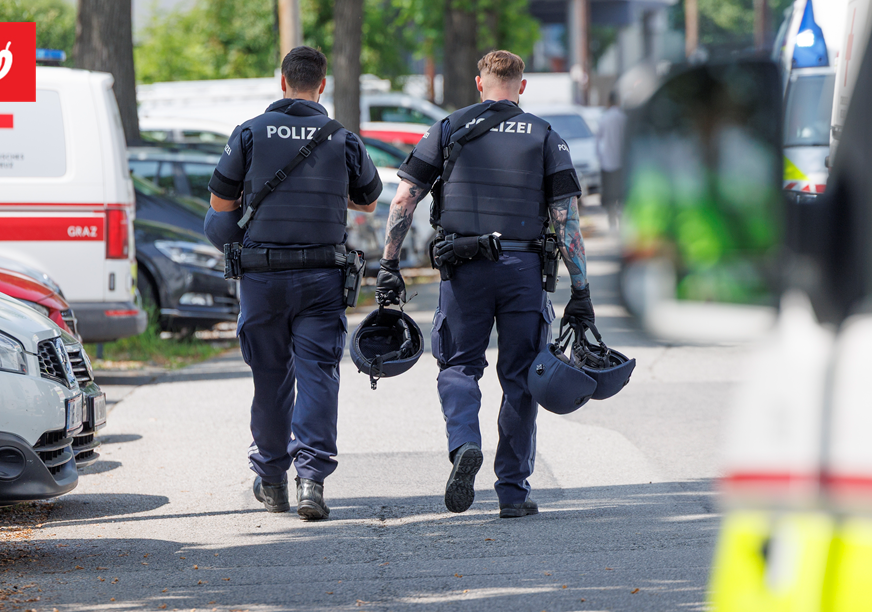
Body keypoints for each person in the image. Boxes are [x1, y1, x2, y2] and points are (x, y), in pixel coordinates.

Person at [376, 50, 593, 518]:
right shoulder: (545, 136)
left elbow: (404, 199)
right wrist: (581, 290)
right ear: (522, 85)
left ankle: (464, 444)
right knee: (521, 377)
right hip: (523, 270)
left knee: (458, 366)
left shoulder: (447, 128)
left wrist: (388, 263)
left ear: (480, 84)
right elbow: (566, 221)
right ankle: (512, 491)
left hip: (464, 269)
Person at [204, 46, 382, 521]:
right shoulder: (342, 137)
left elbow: (220, 207)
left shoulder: (249, 132)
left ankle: (272, 480)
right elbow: (368, 202)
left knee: (270, 378)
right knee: (318, 375)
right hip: (322, 279)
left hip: (262, 278)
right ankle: (312, 482)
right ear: (321, 85)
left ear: (282, 81)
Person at [596, 90, 627, 229]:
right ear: (618, 101)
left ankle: (612, 222)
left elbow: (598, 141)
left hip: (607, 162)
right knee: (622, 194)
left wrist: (600, 157)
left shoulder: (604, 118)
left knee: (609, 195)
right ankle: (623, 220)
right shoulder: (624, 118)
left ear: (608, 102)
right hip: (622, 162)